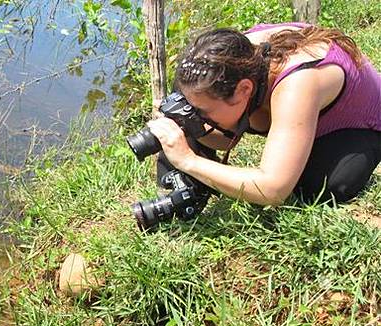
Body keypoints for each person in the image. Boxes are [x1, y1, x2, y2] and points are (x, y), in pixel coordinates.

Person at [146, 23, 381, 206]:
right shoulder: (225, 62)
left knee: (318, 186)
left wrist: (188, 160)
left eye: (203, 111)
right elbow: (226, 138)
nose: (197, 114)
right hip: (288, 106)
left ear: (245, 90)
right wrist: (182, 124)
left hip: (359, 126)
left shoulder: (298, 84)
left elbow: (273, 189)